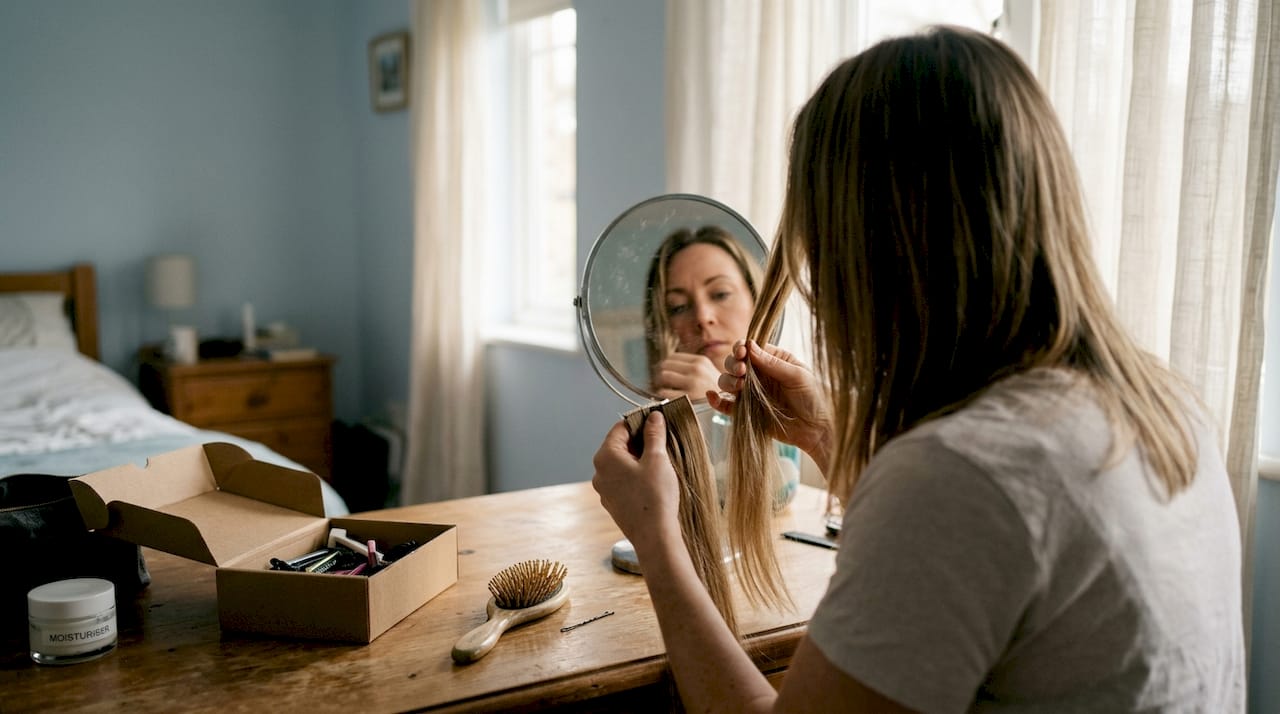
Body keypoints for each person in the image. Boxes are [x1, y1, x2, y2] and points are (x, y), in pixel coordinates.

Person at [592, 25, 1244, 713]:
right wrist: (824, 434)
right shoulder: (1166, 405)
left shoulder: (961, 477)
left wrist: (659, 543)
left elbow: (955, 517)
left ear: (871, 248)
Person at [643, 225, 761, 401]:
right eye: (678, 307)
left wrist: (721, 403)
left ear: (756, 299)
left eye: (721, 294)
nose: (702, 317)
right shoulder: (651, 425)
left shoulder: (801, 400)